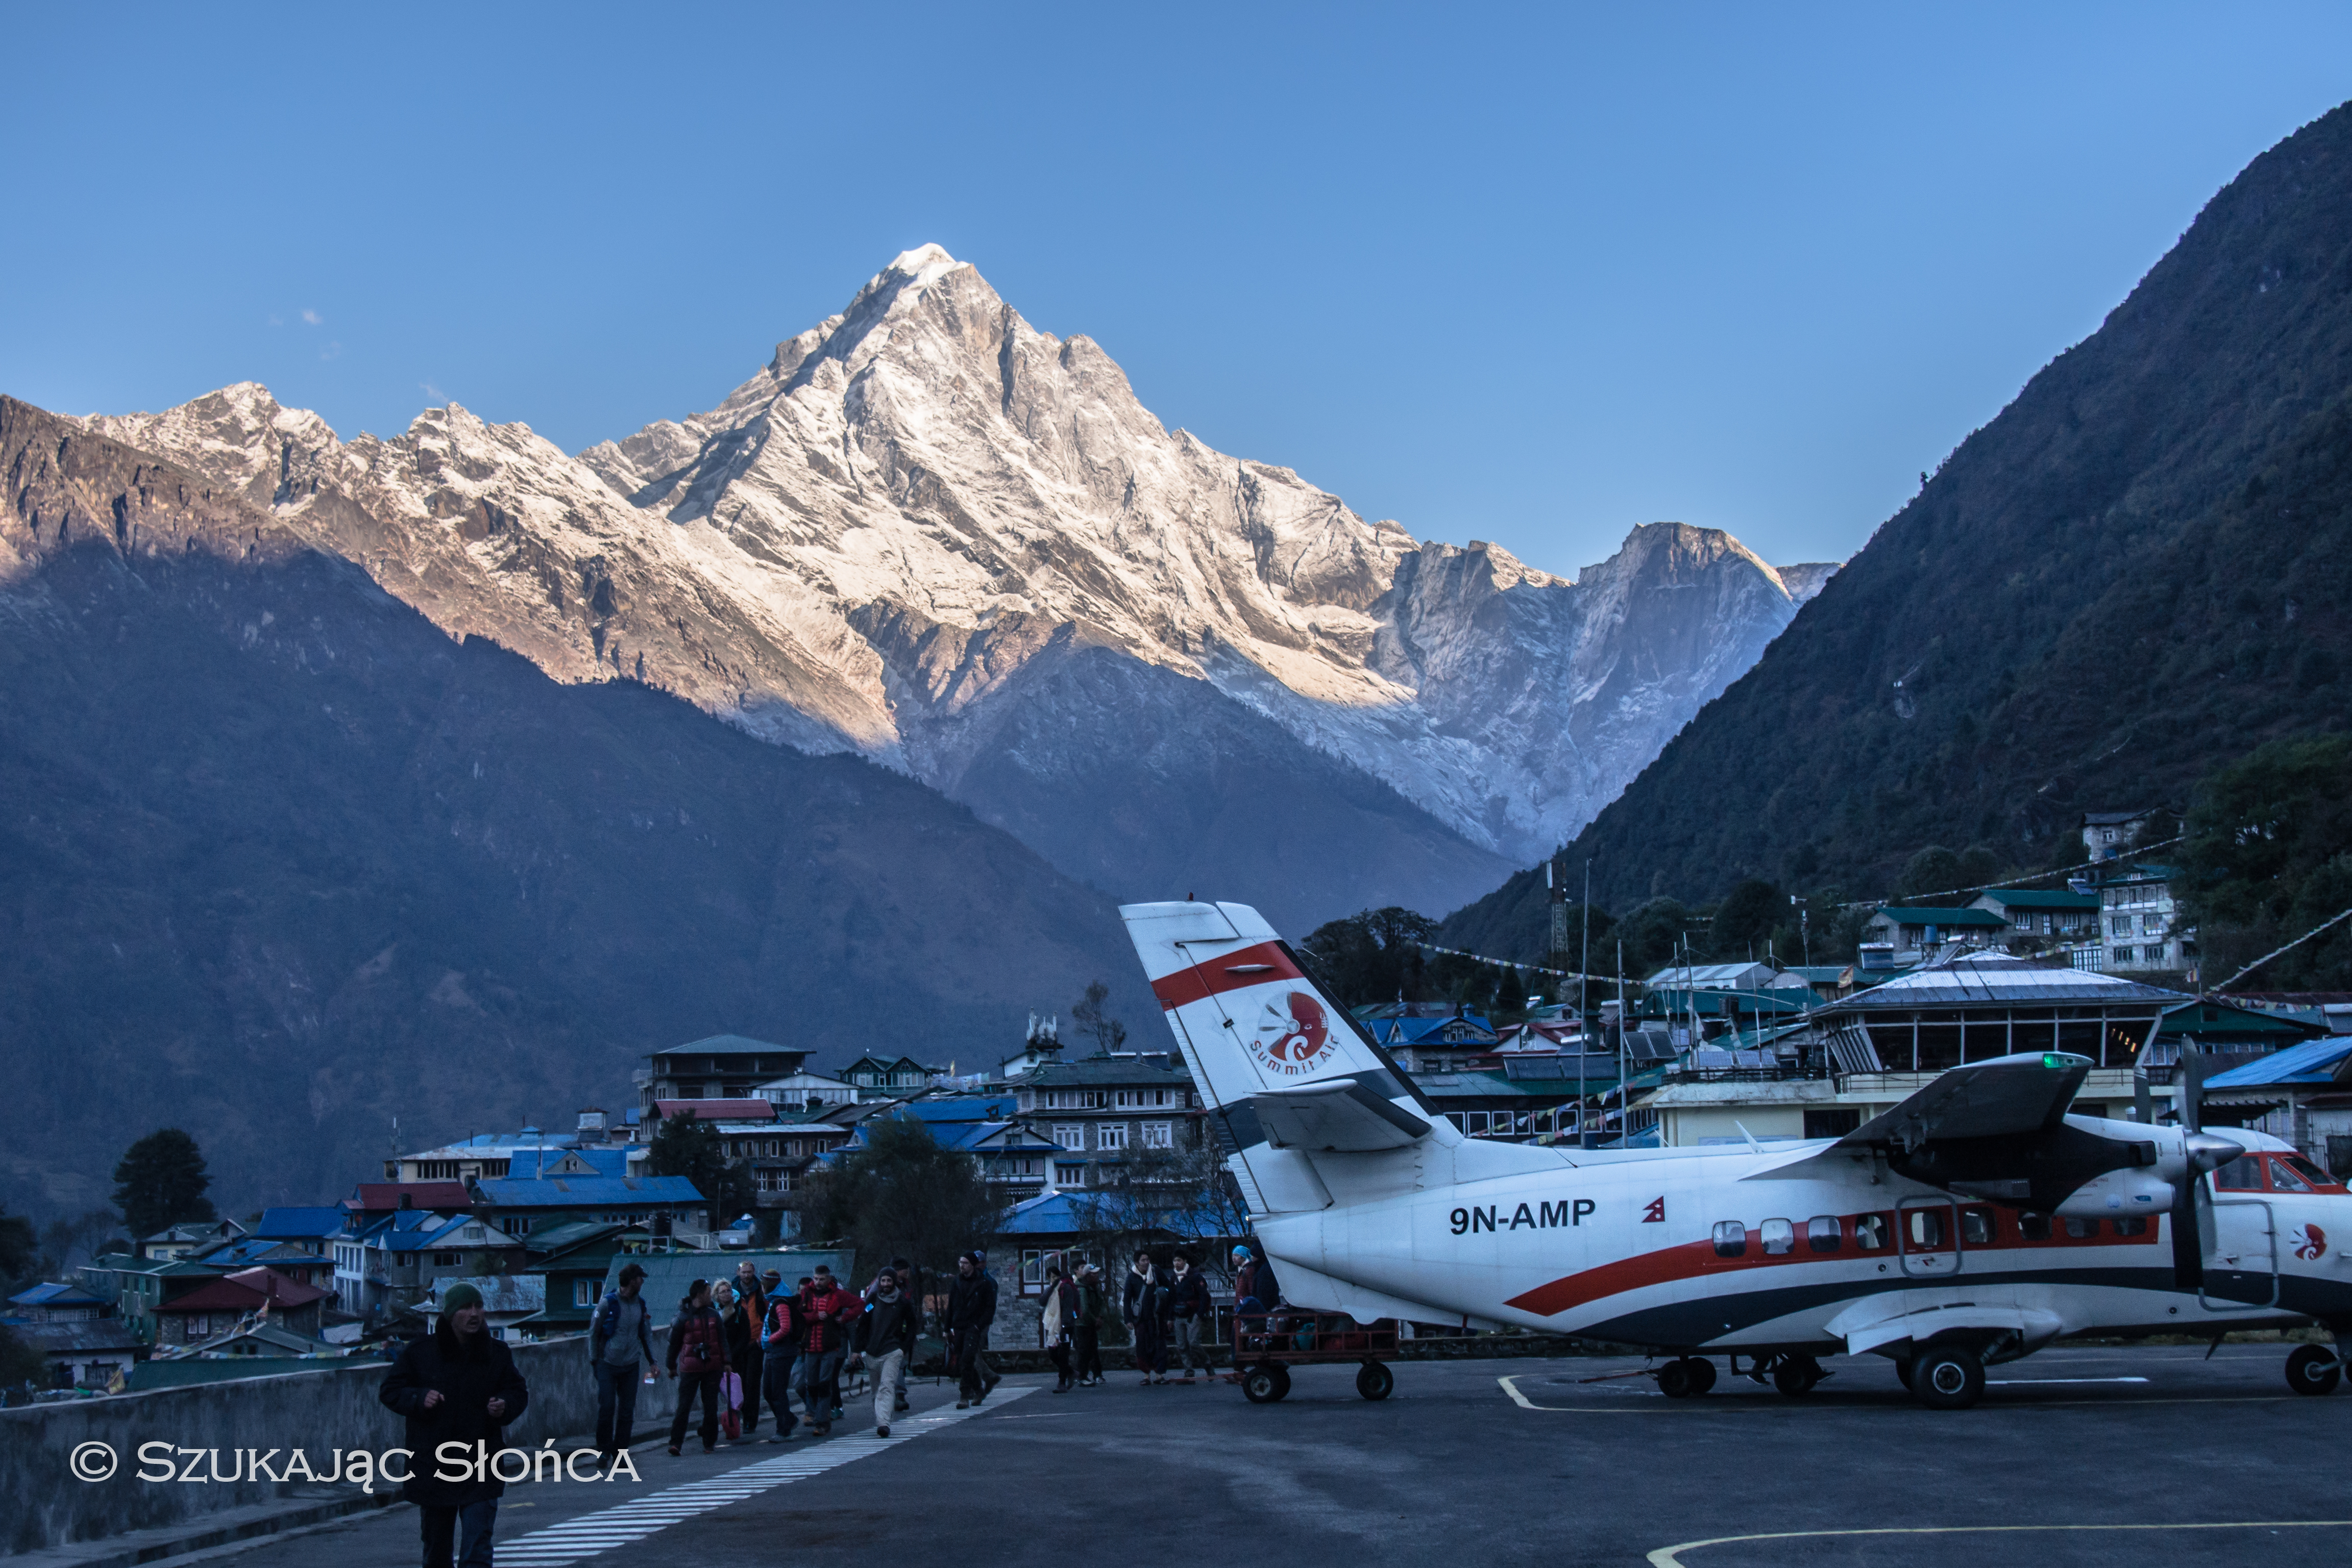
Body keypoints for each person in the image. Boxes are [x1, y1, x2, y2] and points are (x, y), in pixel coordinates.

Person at [379, 1283, 529, 1568]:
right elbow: (390, 1391)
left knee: (478, 1545)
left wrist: (504, 1405)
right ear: (450, 1315)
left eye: (478, 1306)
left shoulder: (496, 1353)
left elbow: (518, 1391)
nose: (474, 1314)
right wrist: (419, 1397)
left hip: (481, 1463)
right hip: (434, 1465)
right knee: (437, 1550)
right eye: (465, 1308)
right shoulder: (420, 1353)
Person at [587, 1262, 657, 1464]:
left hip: (631, 1365)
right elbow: (593, 1333)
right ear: (632, 1281)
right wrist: (594, 1361)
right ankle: (604, 1449)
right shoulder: (607, 1304)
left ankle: (621, 1452)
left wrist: (653, 1362)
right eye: (640, 1279)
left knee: (627, 1411)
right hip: (607, 1363)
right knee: (607, 1407)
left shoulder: (640, 1305)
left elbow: (646, 1334)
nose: (642, 1282)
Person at [849, 1267, 918, 1436]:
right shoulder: (872, 1300)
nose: (886, 1284)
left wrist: (904, 1348)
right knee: (876, 1392)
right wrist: (857, 1350)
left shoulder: (903, 1303)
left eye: (889, 1280)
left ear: (895, 1282)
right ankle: (883, 1415)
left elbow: (912, 1326)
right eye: (883, 1281)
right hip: (872, 1352)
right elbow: (863, 1324)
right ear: (879, 1282)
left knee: (887, 1387)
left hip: (893, 1352)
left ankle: (884, 1424)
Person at [666, 1279, 726, 1455]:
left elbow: (722, 1341)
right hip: (691, 1368)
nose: (711, 1296)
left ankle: (709, 1442)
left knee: (711, 1406)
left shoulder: (714, 1315)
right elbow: (674, 1344)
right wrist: (671, 1366)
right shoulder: (683, 1317)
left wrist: (727, 1362)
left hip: (711, 1366)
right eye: (709, 1293)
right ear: (700, 1295)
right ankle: (676, 1442)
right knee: (684, 1406)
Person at [793, 1270, 853, 1436]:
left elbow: (854, 1314)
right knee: (806, 1384)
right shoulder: (803, 1300)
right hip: (806, 1348)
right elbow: (798, 1319)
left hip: (830, 1347)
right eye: (816, 1279)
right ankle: (816, 1411)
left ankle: (822, 1419)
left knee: (826, 1382)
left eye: (821, 1279)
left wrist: (854, 1349)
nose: (818, 1282)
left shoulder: (836, 1297)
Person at [945, 1251, 1000, 1408]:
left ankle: (964, 1394)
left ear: (973, 1265)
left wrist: (979, 1325)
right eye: (960, 1263)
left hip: (974, 1327)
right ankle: (979, 1390)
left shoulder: (984, 1283)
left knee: (968, 1358)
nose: (962, 1266)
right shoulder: (957, 1282)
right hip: (959, 1326)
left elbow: (990, 1308)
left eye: (966, 1263)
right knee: (964, 1360)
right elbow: (951, 1306)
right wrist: (947, 1328)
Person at [758, 1276, 803, 1441]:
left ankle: (783, 1429)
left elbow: (785, 1328)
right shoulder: (775, 1301)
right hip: (774, 1352)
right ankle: (789, 1420)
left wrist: (769, 1339)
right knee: (769, 1392)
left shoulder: (781, 1303)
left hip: (782, 1352)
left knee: (777, 1391)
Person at [710, 1280, 752, 1443]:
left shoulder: (739, 1312)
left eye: (729, 1291)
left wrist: (731, 1356)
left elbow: (745, 1336)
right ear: (717, 1295)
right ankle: (712, 1426)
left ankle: (733, 1424)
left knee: (735, 1394)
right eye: (723, 1292)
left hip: (734, 1359)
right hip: (715, 1360)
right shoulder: (713, 1312)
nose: (727, 1294)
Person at [731, 1261, 767, 1435]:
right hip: (737, 1344)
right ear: (738, 1272)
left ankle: (750, 1421)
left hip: (755, 1342)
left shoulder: (761, 1289)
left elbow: (767, 1315)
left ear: (754, 1272)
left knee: (752, 1383)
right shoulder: (731, 1290)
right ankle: (737, 1419)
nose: (746, 1275)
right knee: (738, 1384)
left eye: (749, 1272)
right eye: (743, 1272)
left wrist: (762, 1338)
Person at [1123, 1253, 1168, 1384]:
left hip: (1157, 1316)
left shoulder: (1156, 1272)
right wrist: (1128, 1319)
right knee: (1142, 1347)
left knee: (1159, 1345)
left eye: (1148, 1259)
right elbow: (1127, 1299)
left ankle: (1159, 1375)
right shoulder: (1131, 1278)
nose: (1146, 1262)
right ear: (1137, 1263)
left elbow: (1168, 1287)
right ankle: (1146, 1375)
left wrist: (1163, 1296)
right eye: (1143, 1260)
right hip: (1141, 1319)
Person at [1167, 1253, 1211, 1383]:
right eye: (1175, 1260)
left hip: (1193, 1315)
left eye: (1179, 1260)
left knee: (1193, 1344)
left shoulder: (1195, 1277)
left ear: (1185, 1261)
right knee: (1182, 1346)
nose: (1177, 1263)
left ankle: (1207, 1364)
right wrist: (1170, 1318)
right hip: (1178, 1316)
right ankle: (1189, 1372)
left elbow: (1204, 1296)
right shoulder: (1173, 1278)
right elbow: (1171, 1299)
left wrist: (1200, 1314)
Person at [1039, 1260, 1078, 1392]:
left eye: (1056, 1276)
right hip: (1053, 1327)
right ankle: (1071, 1372)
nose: (1054, 1279)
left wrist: (1064, 1327)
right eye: (1051, 1277)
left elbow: (1068, 1309)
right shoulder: (1050, 1290)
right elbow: (1042, 1302)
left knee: (1063, 1354)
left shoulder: (1066, 1289)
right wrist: (1051, 1288)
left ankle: (1062, 1382)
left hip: (1066, 1326)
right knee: (1053, 1353)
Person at [1073, 1262, 1108, 1386]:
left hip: (1090, 1324)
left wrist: (1100, 1317)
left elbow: (1100, 1304)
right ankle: (1082, 1376)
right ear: (1088, 1275)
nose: (1097, 1276)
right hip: (1082, 1325)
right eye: (1094, 1274)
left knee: (1092, 1350)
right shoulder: (1082, 1289)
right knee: (1084, 1351)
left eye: (1098, 1273)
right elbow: (1085, 1310)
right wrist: (1096, 1320)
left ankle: (1093, 1375)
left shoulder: (1093, 1288)